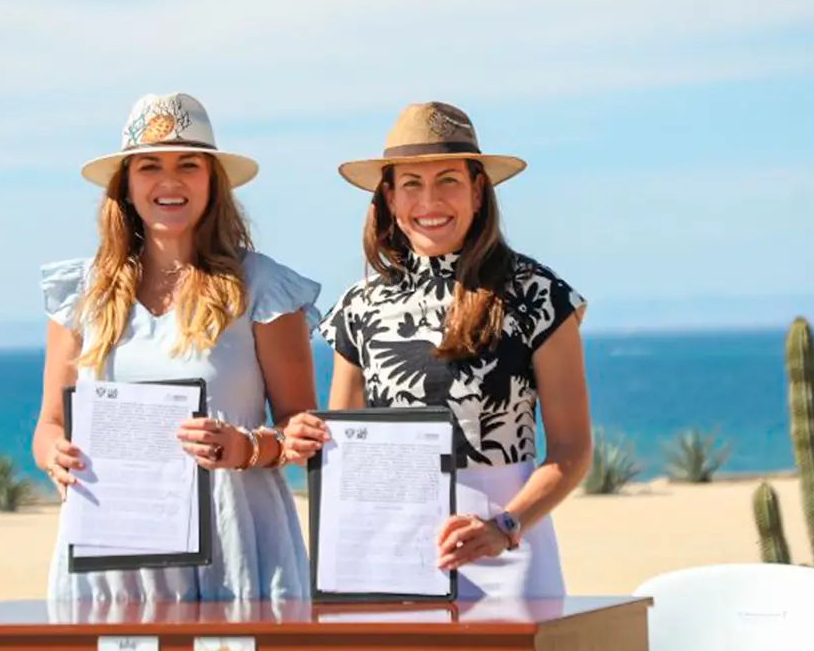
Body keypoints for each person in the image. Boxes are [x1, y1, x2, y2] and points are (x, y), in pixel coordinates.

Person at [32, 91, 321, 605]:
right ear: (126, 186)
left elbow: (302, 430)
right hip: (113, 555)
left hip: (238, 553)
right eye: (149, 167)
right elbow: (50, 424)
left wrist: (245, 448)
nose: (170, 181)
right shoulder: (82, 293)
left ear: (212, 181)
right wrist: (54, 455)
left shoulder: (263, 288)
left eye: (189, 164)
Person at [302, 100, 594, 600]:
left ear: (478, 192)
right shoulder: (360, 305)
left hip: (510, 554)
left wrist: (504, 525)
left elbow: (572, 450)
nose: (429, 201)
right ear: (389, 198)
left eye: (448, 180)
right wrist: (307, 435)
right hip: (392, 557)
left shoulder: (539, 295)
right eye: (411, 184)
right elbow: (346, 448)